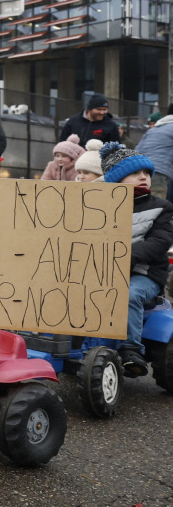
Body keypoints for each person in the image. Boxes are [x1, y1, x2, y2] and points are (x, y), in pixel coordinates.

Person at [98, 143, 173, 377]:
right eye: (135, 173)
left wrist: (125, 258)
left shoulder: (161, 208)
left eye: (147, 173)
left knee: (128, 293)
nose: (144, 177)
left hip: (143, 274)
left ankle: (131, 349)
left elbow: (159, 242)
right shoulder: (99, 205)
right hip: (101, 270)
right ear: (116, 179)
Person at [137, 107, 173, 198]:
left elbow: (137, 150)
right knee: (157, 204)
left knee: (143, 201)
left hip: (141, 170)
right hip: (160, 171)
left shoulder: (152, 130)